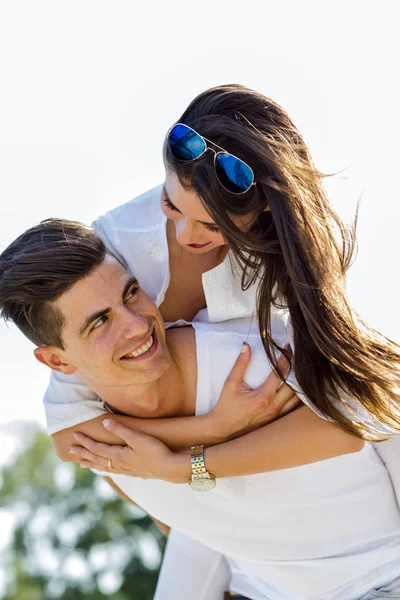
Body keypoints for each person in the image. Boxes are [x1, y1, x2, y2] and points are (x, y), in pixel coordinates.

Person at [1, 219, 400, 600]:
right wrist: (206, 431)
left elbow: (356, 425)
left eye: (130, 294)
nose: (137, 326)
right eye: (100, 322)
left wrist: (187, 465)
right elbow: (196, 530)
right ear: (57, 362)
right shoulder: (106, 452)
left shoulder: (250, 363)